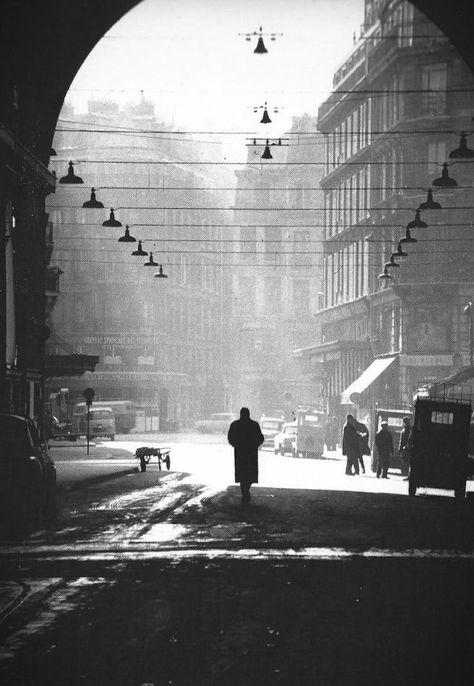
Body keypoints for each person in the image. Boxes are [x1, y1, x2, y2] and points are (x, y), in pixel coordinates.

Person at [227, 407, 264, 505]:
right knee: (249, 475)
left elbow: (230, 437)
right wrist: (254, 445)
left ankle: (245, 493)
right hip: (251, 453)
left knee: (242, 474)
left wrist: (236, 444)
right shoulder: (254, 425)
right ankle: (246, 492)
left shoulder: (235, 425)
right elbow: (261, 438)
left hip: (240, 453)